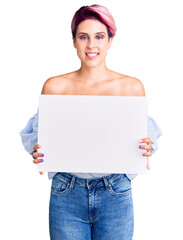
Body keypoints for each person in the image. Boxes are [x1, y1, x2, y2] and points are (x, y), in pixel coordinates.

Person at [19, 4, 163, 240]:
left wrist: (146, 147)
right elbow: (41, 138)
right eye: (83, 37)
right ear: (74, 40)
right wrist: (38, 151)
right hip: (67, 192)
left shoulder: (131, 87)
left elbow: (141, 141)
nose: (91, 45)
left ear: (110, 40)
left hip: (115, 192)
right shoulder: (55, 87)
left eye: (99, 36)